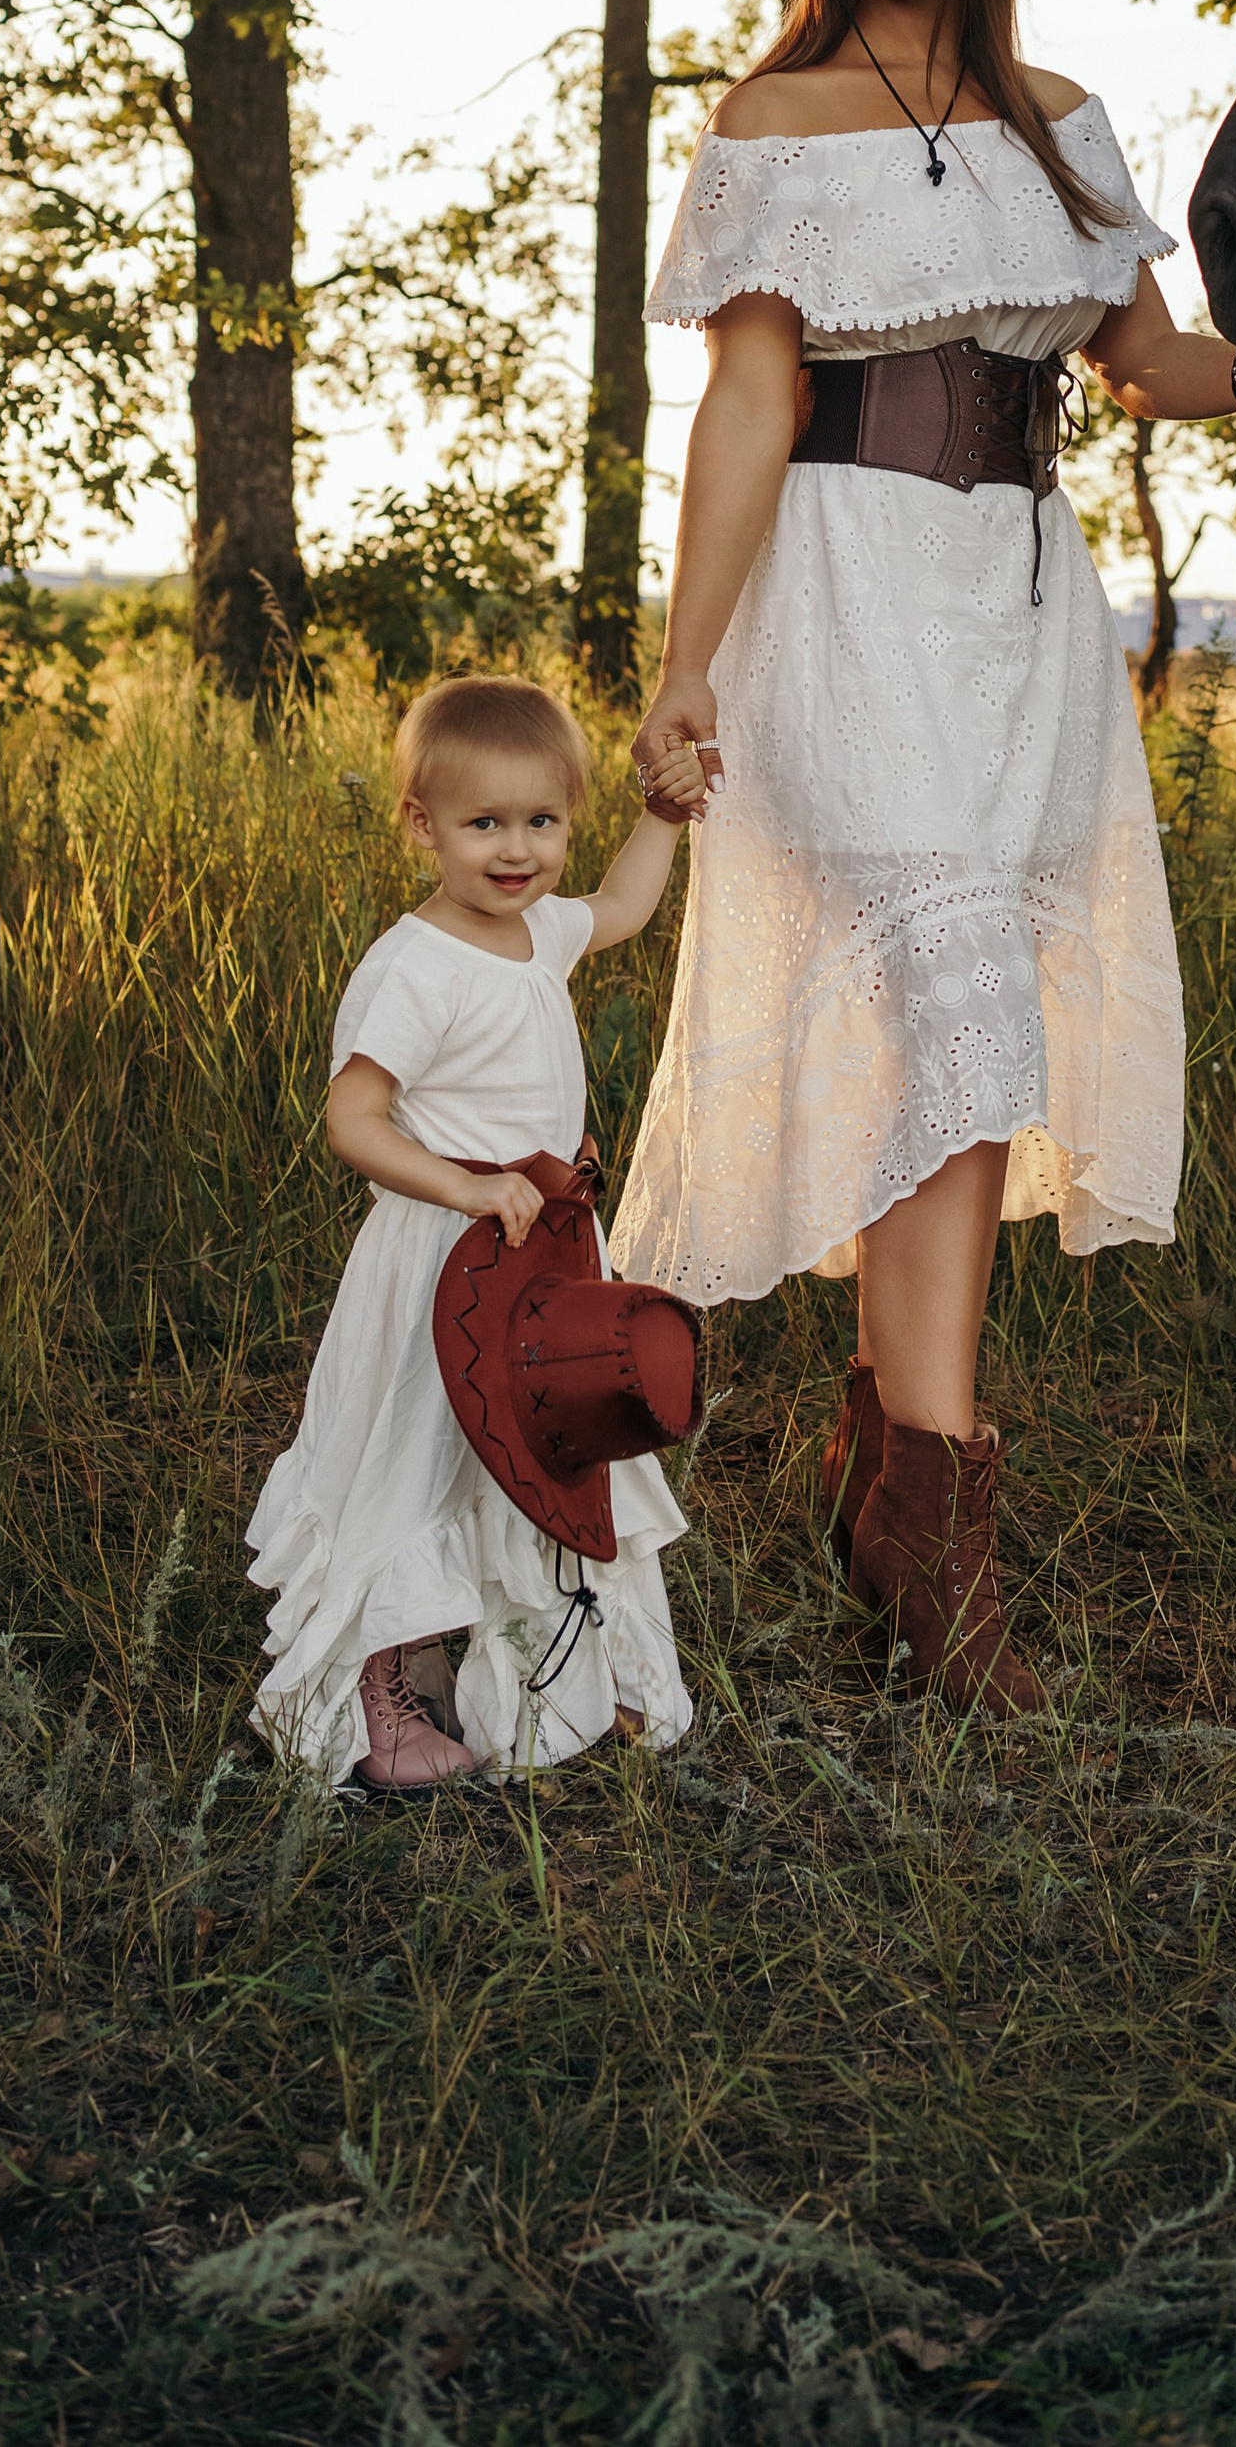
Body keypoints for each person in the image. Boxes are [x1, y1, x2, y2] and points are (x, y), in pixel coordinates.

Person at [614, 0, 1236, 1712]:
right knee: (941, 1012)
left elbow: (1142, 364)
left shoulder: (1060, 117)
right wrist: (680, 664)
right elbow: (752, 406)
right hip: (847, 587)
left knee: (947, 1026)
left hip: (1020, 608)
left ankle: (888, 1470)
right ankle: (934, 1531)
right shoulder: (769, 127)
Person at [249, 675, 712, 1791]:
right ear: (422, 823)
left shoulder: (538, 933)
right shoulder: (416, 965)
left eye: (541, 822)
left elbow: (625, 909)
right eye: (484, 823)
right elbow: (352, 1120)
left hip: (540, 1262)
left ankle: (552, 1681)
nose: (517, 851)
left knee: (541, 1454)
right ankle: (374, 1698)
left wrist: (663, 815)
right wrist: (464, 1188)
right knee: (419, 1466)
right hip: (441, 1267)